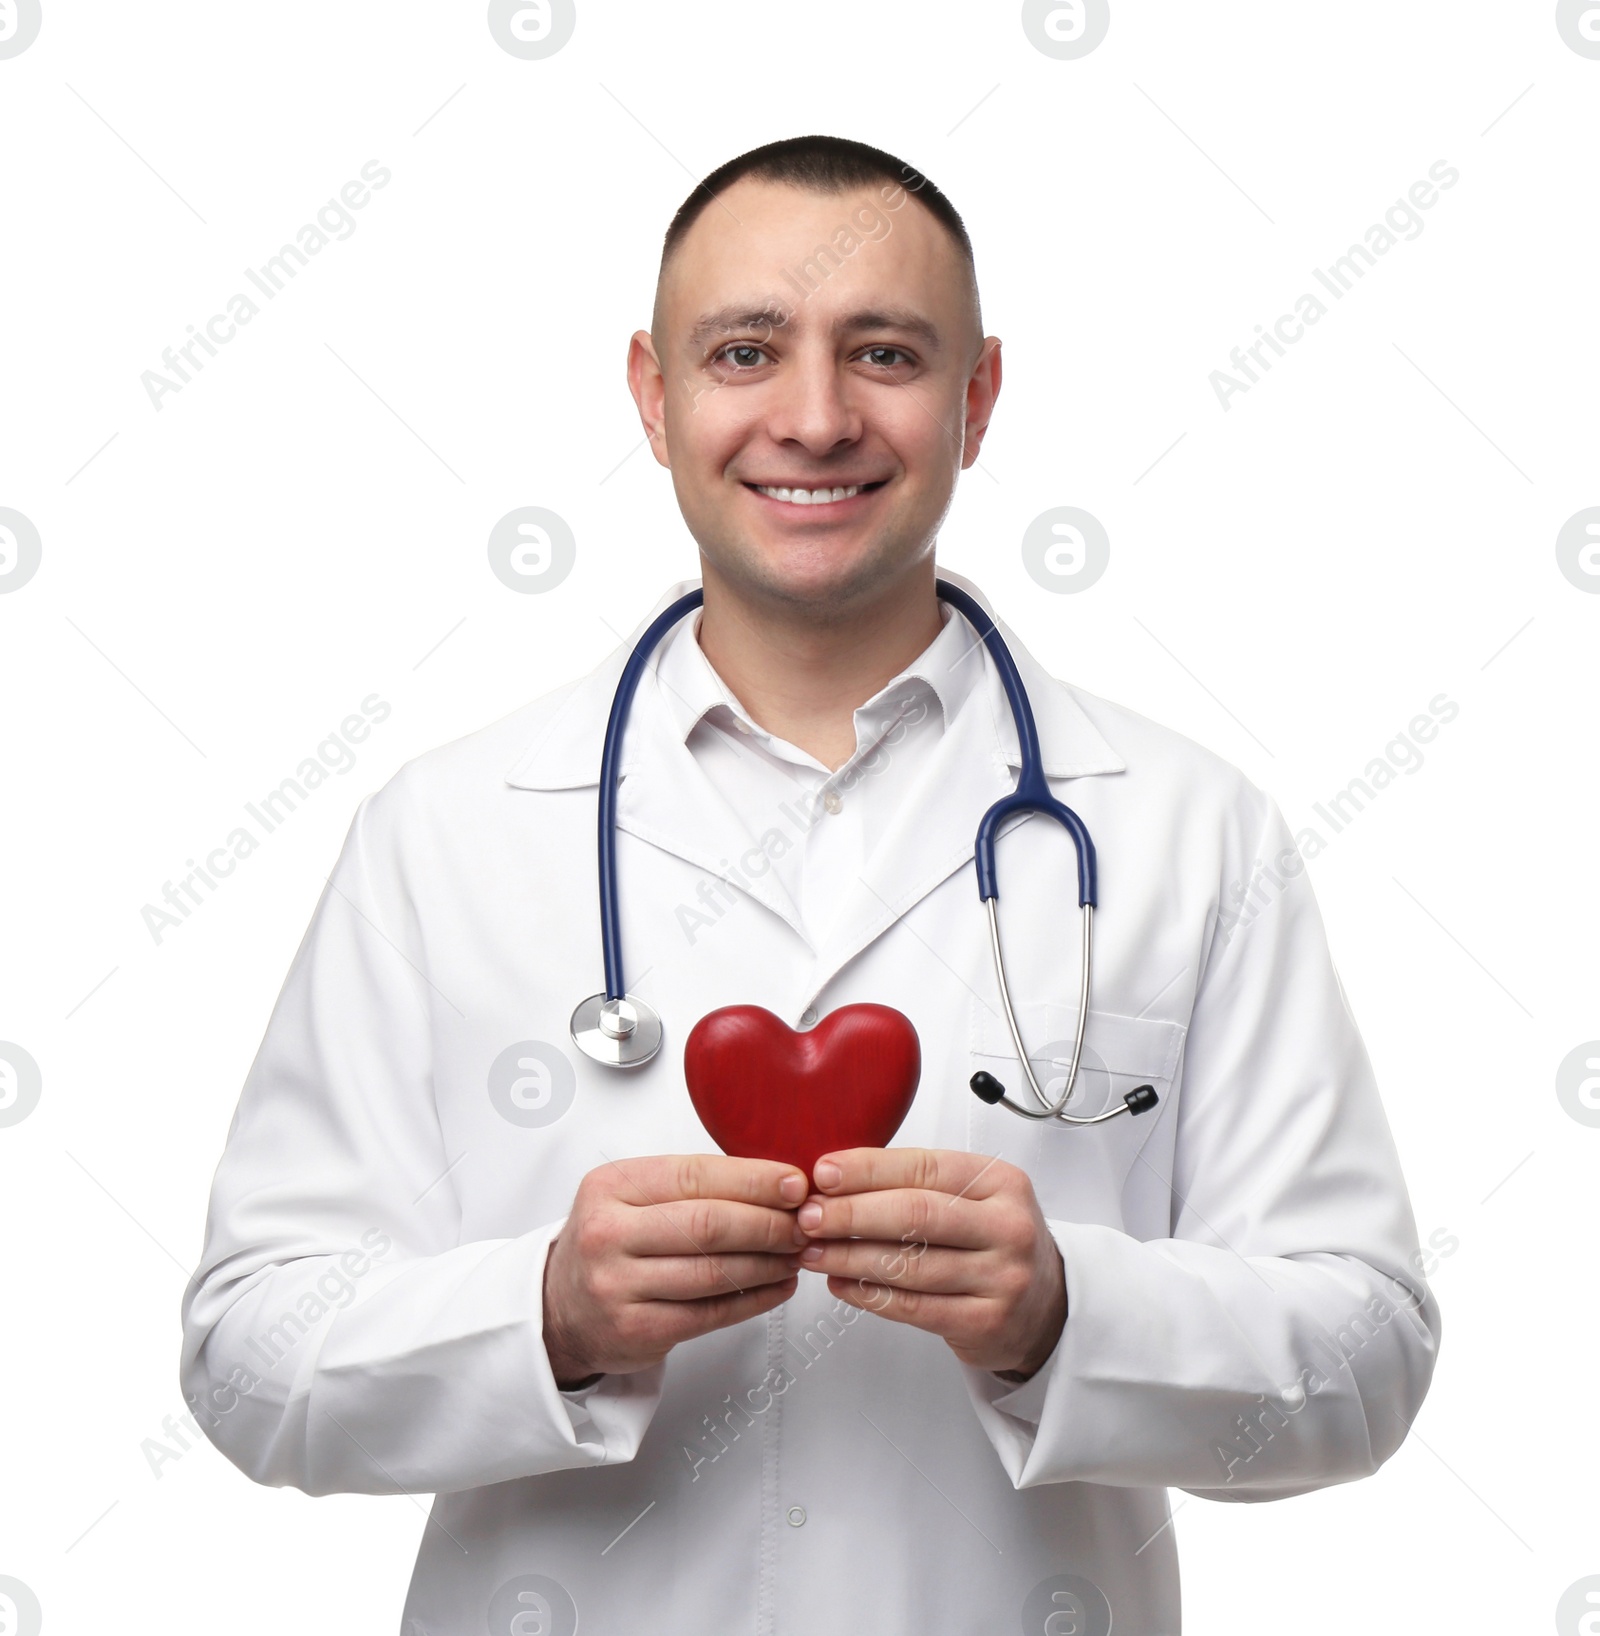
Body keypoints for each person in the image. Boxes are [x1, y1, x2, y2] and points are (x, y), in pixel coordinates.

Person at [180, 135, 1441, 1635]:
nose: (816, 416)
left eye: (887, 353)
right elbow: (247, 1357)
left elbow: (1365, 1359)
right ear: (655, 396)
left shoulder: (1187, 829)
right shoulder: (444, 831)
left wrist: (1065, 1313)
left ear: (976, 400)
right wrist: (547, 1316)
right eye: (745, 350)